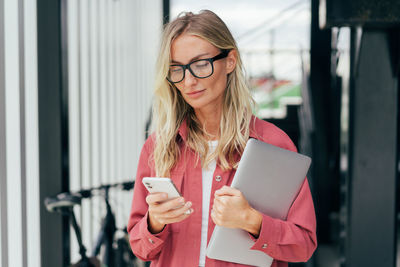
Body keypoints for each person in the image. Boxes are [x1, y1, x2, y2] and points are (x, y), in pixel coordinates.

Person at [127, 10, 317, 267]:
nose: (189, 80)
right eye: (176, 69)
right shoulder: (158, 147)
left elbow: (303, 245)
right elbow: (140, 248)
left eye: (201, 64)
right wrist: (155, 222)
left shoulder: (272, 144)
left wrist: (251, 220)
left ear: (230, 61)